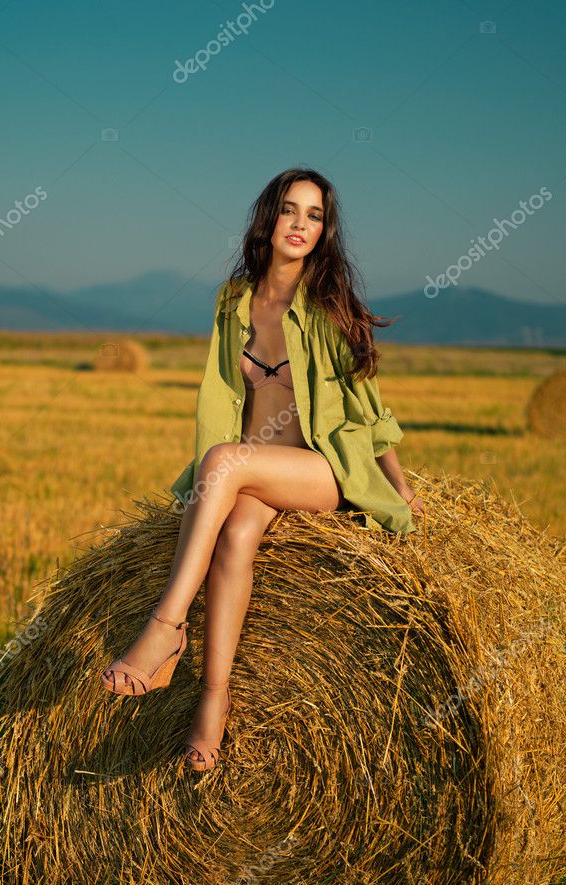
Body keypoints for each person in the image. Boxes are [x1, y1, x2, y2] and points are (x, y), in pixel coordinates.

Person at [100, 167, 425, 772]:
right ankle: (211, 705)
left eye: (315, 215)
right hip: (256, 468)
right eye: (290, 210)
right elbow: (222, 395)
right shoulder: (233, 301)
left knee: (224, 463)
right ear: (268, 219)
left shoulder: (329, 306)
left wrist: (398, 488)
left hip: (320, 468)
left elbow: (371, 410)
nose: (301, 224)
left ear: (325, 230)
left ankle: (166, 627)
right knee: (235, 537)